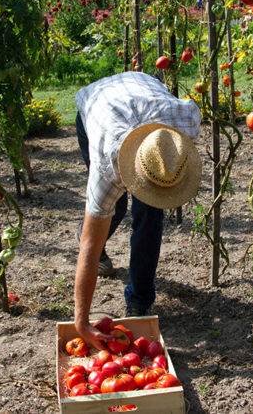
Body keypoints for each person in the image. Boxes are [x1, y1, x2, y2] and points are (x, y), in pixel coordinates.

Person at [72, 71, 202, 351]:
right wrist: (81, 323)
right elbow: (88, 250)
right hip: (97, 105)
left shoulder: (181, 131)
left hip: (142, 87)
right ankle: (89, 230)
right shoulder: (108, 168)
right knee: (112, 210)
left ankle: (139, 301)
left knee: (150, 216)